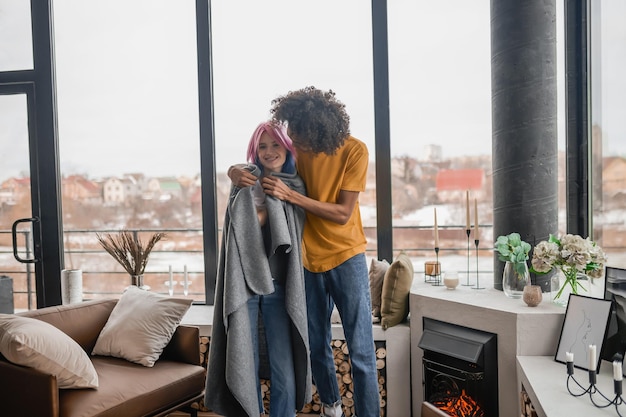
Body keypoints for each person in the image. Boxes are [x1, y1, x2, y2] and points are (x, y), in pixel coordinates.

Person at [229, 86, 380, 417]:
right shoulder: (296, 149)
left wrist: (291, 196)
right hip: (307, 261)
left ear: (317, 125)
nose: (291, 135)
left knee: (362, 353)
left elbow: (342, 213)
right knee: (316, 343)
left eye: (297, 128)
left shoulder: (355, 151)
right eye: (290, 128)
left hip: (347, 257)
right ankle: (331, 405)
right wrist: (232, 171)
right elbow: (261, 160)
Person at [206, 121, 311, 417]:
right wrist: (233, 175)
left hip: (280, 286)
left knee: (284, 368)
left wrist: (262, 211)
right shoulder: (244, 179)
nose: (269, 151)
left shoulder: (295, 184)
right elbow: (234, 226)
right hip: (245, 286)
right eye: (262, 146)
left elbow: (291, 229)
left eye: (275, 144)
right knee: (243, 359)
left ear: (286, 146)